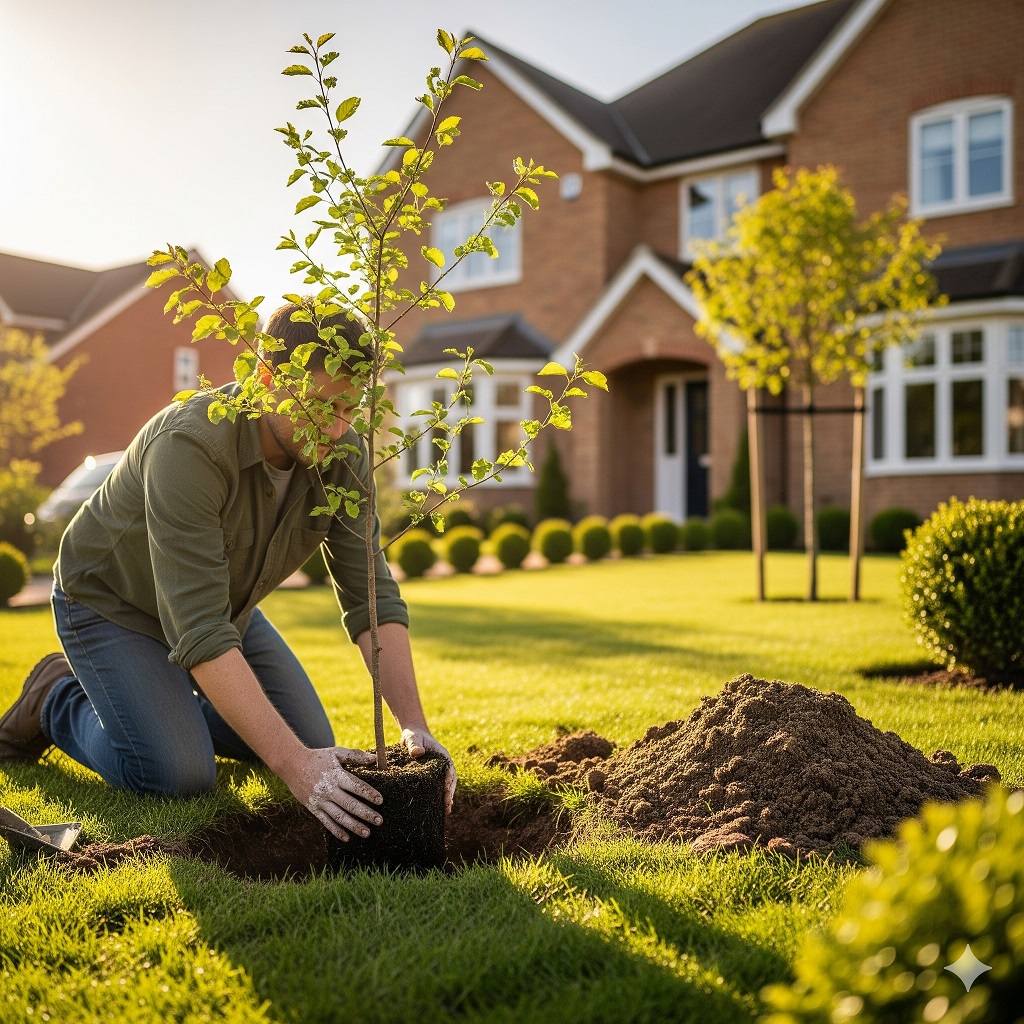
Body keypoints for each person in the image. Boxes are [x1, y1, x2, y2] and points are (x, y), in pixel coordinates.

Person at [0, 302, 455, 843]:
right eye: (320, 405)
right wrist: (296, 768)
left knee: (309, 737)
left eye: (350, 408)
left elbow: (370, 593)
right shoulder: (189, 447)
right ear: (267, 379)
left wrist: (413, 726)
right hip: (110, 603)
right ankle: (56, 699)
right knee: (179, 773)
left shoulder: (343, 454)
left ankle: (170, 706)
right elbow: (198, 627)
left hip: (223, 609)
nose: (336, 426)